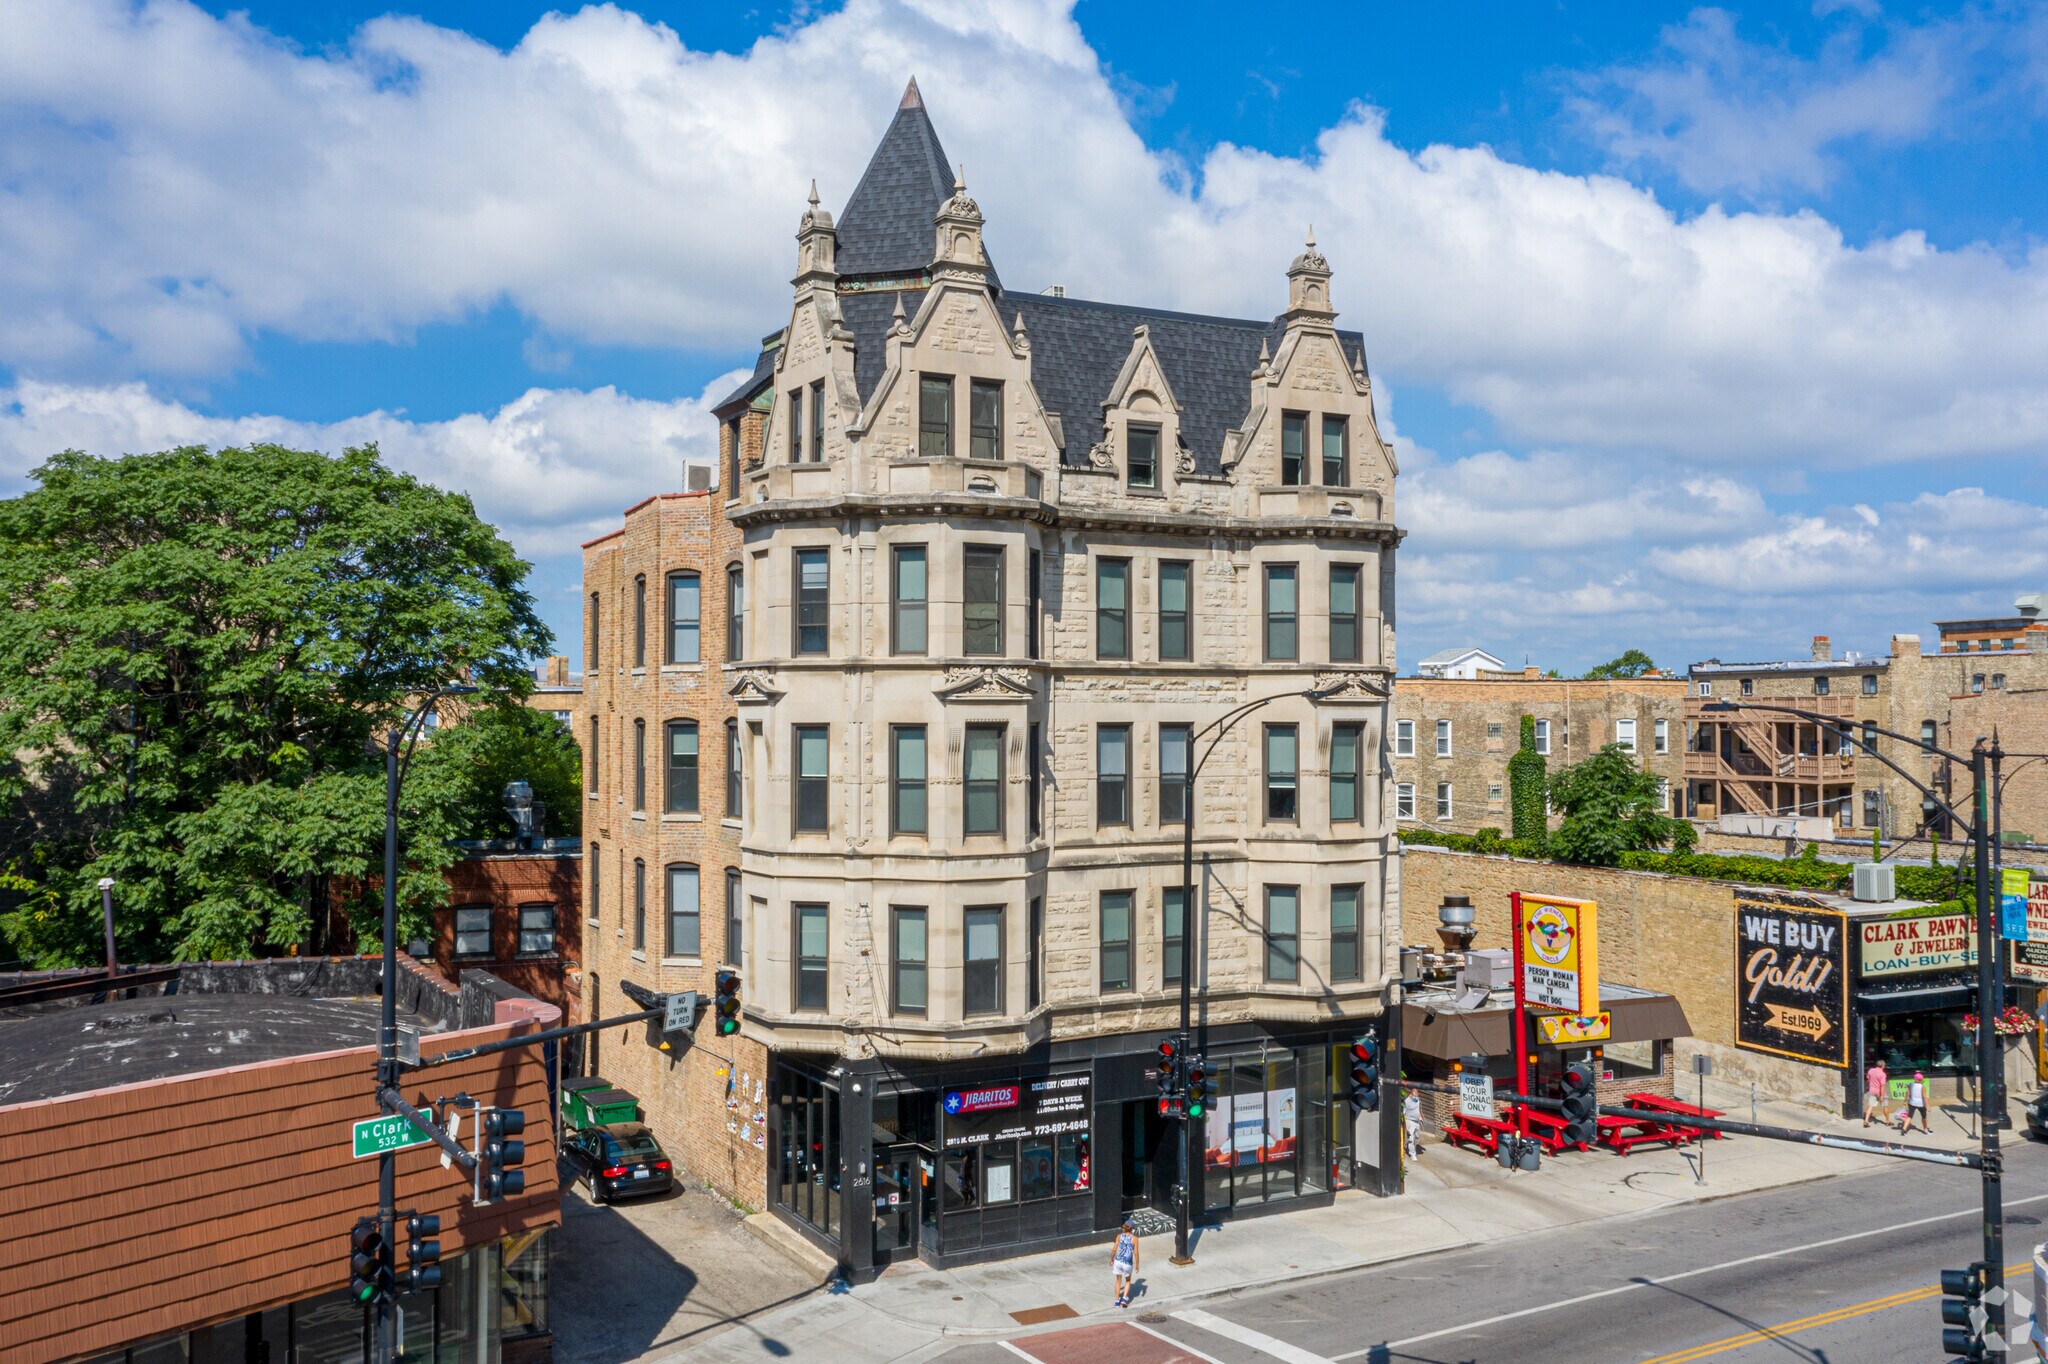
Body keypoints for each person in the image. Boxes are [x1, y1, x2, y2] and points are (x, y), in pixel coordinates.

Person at [1111, 1219, 1138, 1308]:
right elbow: (1136, 1253)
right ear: (1131, 1229)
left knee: (1118, 1281)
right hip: (1127, 1263)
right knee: (1128, 1280)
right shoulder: (1134, 1238)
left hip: (1118, 1261)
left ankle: (1116, 1301)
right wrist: (1137, 1264)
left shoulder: (1119, 1236)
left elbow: (1114, 1249)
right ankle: (1124, 1298)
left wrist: (1111, 1259)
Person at [1864, 1058, 1890, 1127]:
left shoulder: (1870, 1071)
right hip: (1880, 1092)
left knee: (1870, 1106)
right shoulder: (1883, 1074)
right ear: (1883, 1066)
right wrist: (1881, 1096)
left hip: (1872, 1091)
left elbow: (1868, 1079)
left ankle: (1866, 1121)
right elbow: (1882, 1086)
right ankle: (1887, 1121)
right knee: (1885, 1106)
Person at [1403, 1089, 1423, 1160]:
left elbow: (1419, 1110)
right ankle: (1412, 1154)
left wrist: (1421, 1117)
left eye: (1417, 1094)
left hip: (1417, 1121)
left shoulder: (1417, 1100)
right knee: (1411, 1138)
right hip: (1410, 1121)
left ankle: (1409, 1146)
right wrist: (1406, 1125)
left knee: (1417, 1137)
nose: (1417, 1096)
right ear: (1411, 1094)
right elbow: (1404, 1114)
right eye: (1415, 1094)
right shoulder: (1406, 1101)